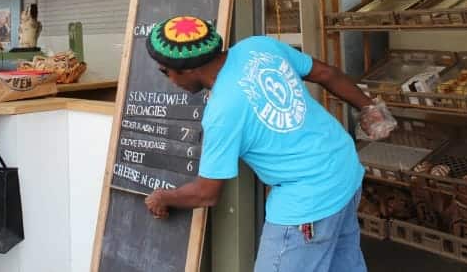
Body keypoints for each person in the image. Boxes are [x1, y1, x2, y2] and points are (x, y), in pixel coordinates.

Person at [142, 16, 394, 272]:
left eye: (166, 72)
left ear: (187, 69)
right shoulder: (259, 46)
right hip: (344, 168)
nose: (170, 81)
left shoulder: (222, 112)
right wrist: (369, 108)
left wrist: (164, 197)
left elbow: (206, 193)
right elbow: (326, 73)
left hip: (307, 203)